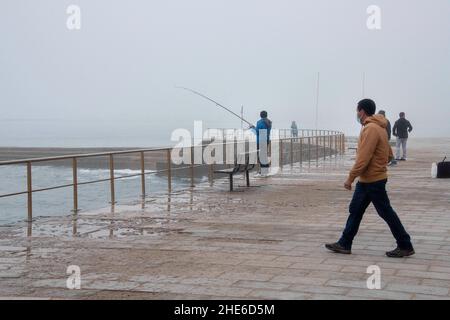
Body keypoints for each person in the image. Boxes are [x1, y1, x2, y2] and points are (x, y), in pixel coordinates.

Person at [325, 99, 415, 258]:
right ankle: (345, 243)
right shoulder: (380, 127)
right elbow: (389, 154)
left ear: (362, 111)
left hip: (373, 180)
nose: (356, 114)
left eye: (357, 110)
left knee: (385, 212)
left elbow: (363, 158)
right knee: (355, 210)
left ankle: (405, 244)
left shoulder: (371, 129)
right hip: (369, 179)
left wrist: (350, 178)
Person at [252, 110, 272, 177]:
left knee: (261, 156)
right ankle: (265, 170)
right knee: (264, 155)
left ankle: (263, 171)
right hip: (266, 140)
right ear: (266, 115)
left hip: (260, 141)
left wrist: (252, 128)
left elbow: (257, 132)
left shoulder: (259, 122)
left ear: (260, 115)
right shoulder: (269, 122)